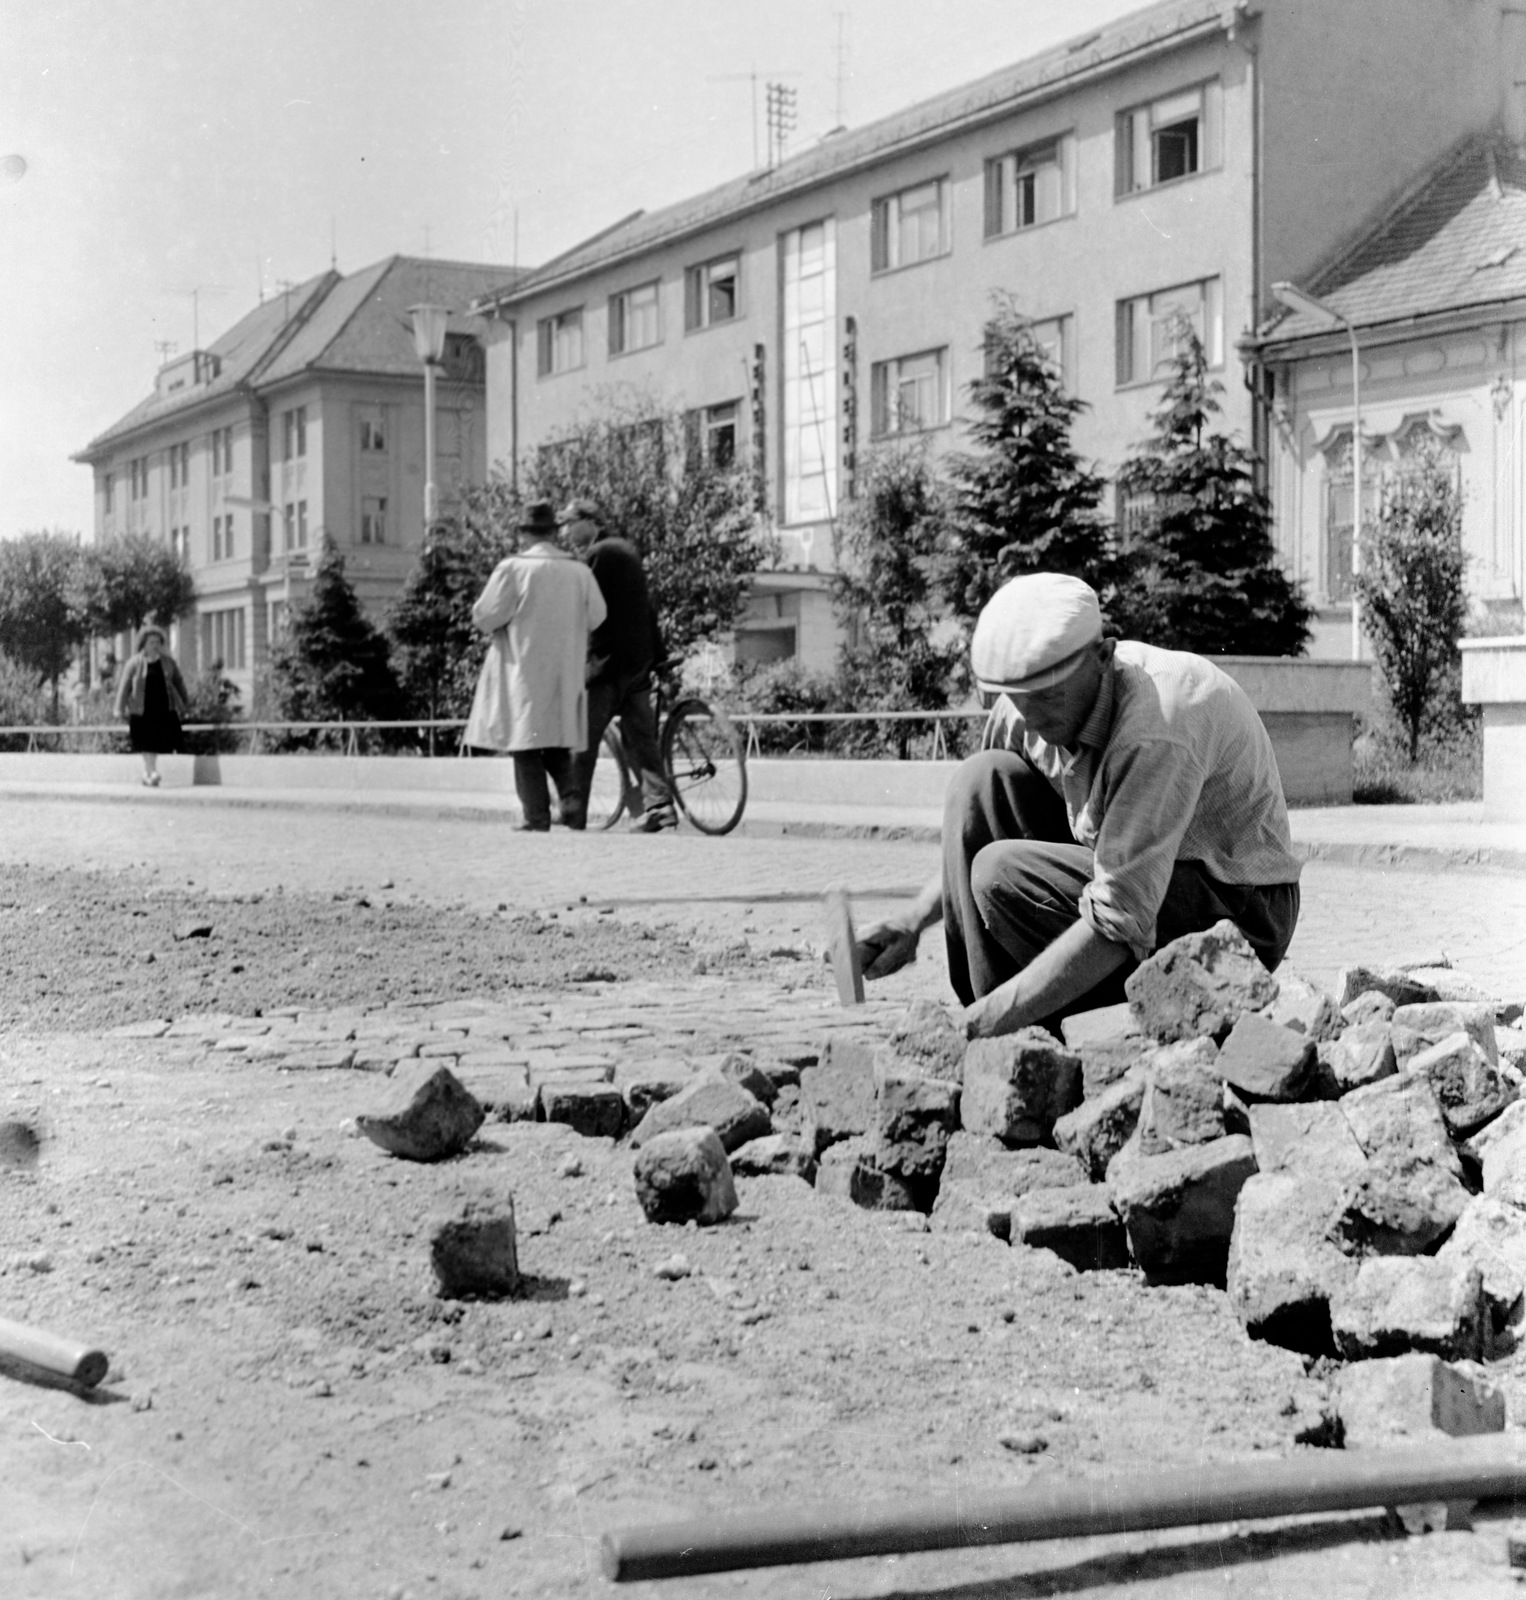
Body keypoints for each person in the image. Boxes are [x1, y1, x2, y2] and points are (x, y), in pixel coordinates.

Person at [855, 572, 1302, 1039]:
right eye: (1020, 699)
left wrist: (974, 1026)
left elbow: (1121, 915)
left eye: (1050, 695)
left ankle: (997, 1028)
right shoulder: (1023, 708)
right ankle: (1002, 1028)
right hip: (1137, 879)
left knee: (1000, 872)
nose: (1035, 717)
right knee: (979, 782)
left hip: (1239, 911)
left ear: (1104, 657)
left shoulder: (1157, 725)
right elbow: (978, 828)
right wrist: (912, 921)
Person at [463, 500, 607, 832]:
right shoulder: (579, 571)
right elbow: (598, 615)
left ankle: (536, 815)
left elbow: (485, 616)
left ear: (525, 534)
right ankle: (572, 804)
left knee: (525, 742)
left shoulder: (513, 568)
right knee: (556, 742)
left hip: (523, 669)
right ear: (553, 533)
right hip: (564, 669)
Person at [558, 498, 677, 833]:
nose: (565, 532)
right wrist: (659, 657)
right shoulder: (627, 551)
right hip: (638, 664)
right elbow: (646, 609)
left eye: (570, 524)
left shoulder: (598, 555)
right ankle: (659, 807)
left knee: (582, 741)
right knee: (640, 740)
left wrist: (581, 659)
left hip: (607, 667)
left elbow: (587, 613)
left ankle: (573, 813)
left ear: (590, 522)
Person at [113, 625, 190, 787]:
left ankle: (148, 773)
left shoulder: (168, 662)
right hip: (142, 709)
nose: (155, 645)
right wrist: (119, 708)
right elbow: (125, 686)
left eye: (158, 642)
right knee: (146, 741)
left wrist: (185, 703)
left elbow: (178, 682)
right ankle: (151, 771)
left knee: (157, 742)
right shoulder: (134, 663)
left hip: (162, 707)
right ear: (144, 644)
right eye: (151, 642)